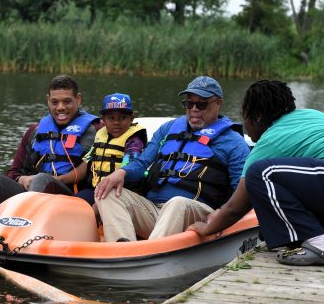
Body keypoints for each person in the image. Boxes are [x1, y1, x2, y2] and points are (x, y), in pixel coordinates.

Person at [189, 80, 324, 266]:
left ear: (257, 116)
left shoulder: (271, 140)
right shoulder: (312, 114)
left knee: (260, 174)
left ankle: (321, 245)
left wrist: (208, 228)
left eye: (245, 116)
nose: (244, 124)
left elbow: (236, 207)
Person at [94, 76, 250, 242]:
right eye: (189, 104)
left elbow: (240, 190)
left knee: (177, 203)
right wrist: (122, 172)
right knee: (106, 192)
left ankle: (150, 255)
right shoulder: (168, 129)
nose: (194, 109)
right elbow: (142, 163)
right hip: (155, 211)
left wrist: (221, 212)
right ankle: (123, 252)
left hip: (198, 214)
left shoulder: (233, 142)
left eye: (201, 104)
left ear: (218, 103)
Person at [0, 75, 101, 229]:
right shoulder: (34, 131)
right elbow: (13, 173)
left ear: (78, 99)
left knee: (41, 179)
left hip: (72, 199)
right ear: (48, 100)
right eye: (55, 102)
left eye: (67, 101)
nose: (60, 107)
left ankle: (17, 234)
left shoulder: (97, 131)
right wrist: (23, 179)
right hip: (33, 194)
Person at [75, 93, 147, 206]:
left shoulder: (134, 140)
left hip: (122, 191)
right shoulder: (100, 135)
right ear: (103, 120)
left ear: (131, 119)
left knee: (96, 207)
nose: (116, 122)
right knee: (75, 202)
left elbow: (130, 166)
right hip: (97, 189)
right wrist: (62, 179)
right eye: (111, 118)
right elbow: (88, 159)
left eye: (123, 118)